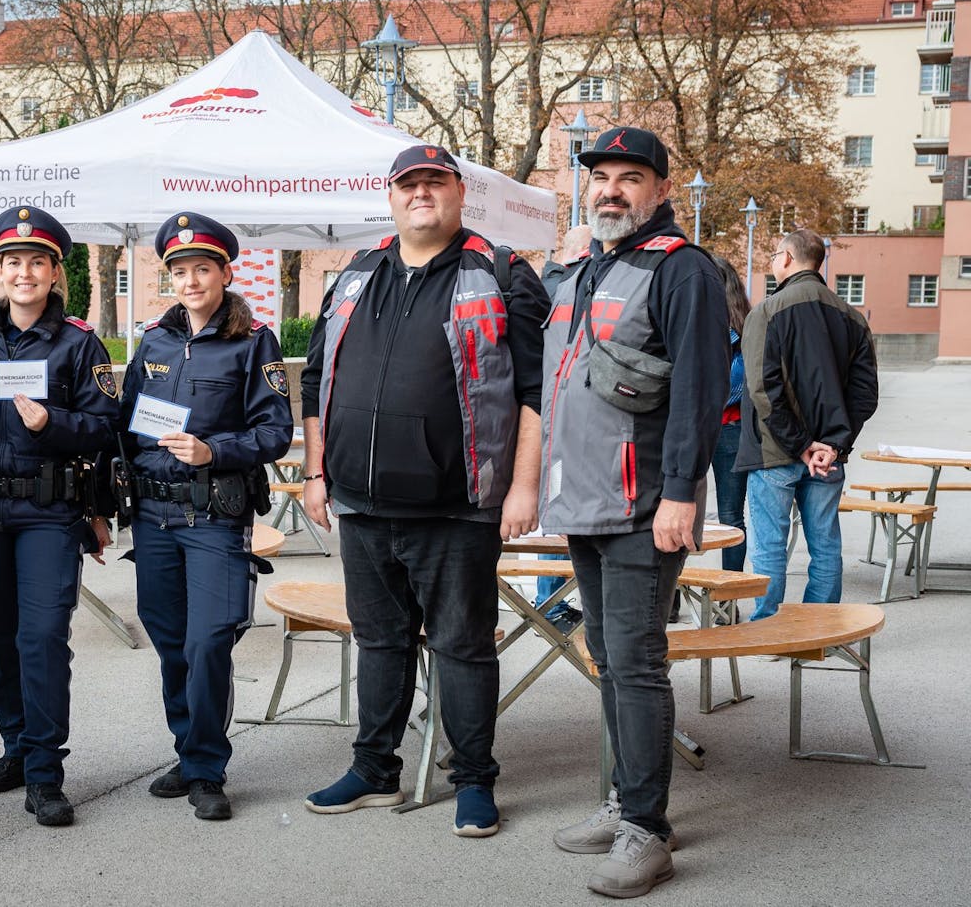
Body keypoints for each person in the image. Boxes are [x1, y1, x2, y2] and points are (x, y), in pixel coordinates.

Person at [298, 145, 549, 835]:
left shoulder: (500, 274)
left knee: (462, 644)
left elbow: (536, 390)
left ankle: (473, 778)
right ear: (391, 196)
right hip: (360, 499)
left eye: (434, 182)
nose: (421, 194)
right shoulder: (356, 273)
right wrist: (317, 473)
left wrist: (523, 486)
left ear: (458, 193)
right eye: (409, 184)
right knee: (380, 640)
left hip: (458, 503)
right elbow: (316, 380)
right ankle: (375, 767)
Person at [539, 127, 728, 898]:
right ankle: (625, 801)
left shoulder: (684, 270)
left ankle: (647, 830)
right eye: (602, 177)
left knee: (637, 662)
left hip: (644, 502)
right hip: (586, 499)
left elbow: (699, 389)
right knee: (610, 659)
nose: (610, 190)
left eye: (629, 178)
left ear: (660, 189)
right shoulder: (590, 266)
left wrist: (680, 492)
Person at [0, 206, 120, 827]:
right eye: (12, 261)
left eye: (36, 261)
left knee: (41, 639)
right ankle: (15, 746)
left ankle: (45, 772)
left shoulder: (78, 342)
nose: (24, 272)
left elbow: (106, 427)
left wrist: (55, 422)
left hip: (47, 512)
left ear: (54, 271)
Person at [121, 212, 293, 821]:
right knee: (171, 642)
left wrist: (215, 449)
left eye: (202, 269)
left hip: (215, 519)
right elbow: (130, 423)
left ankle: (207, 769)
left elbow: (276, 430)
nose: (191, 281)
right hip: (155, 518)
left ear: (225, 272)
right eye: (180, 271)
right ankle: (188, 750)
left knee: (209, 640)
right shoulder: (155, 342)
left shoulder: (253, 342)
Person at [736, 228, 878, 623]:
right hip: (827, 457)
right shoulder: (852, 318)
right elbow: (865, 395)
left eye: (772, 255)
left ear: (786, 258)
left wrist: (801, 445)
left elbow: (763, 390)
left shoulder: (766, 312)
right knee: (826, 543)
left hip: (775, 451)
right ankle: (819, 628)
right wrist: (831, 444)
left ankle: (768, 627)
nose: (770, 262)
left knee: (769, 545)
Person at [534, 223, 594, 633]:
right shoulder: (569, 288)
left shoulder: (546, 284)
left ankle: (550, 599)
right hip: (563, 419)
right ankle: (549, 602)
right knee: (561, 512)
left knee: (558, 509)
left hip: (548, 417)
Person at [710, 254, 752, 576]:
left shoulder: (712, 326)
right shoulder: (747, 327)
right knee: (731, 516)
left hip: (713, 428)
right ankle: (727, 600)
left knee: (726, 516)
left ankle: (671, 599)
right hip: (731, 429)